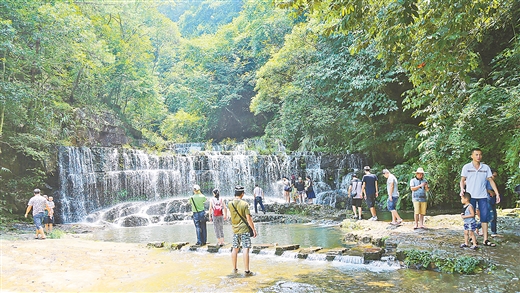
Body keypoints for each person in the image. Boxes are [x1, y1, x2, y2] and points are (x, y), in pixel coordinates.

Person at [460, 148, 500, 247]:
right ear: (472, 156)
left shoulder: (485, 167)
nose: (478, 157)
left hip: (482, 196)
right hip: (471, 196)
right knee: (471, 217)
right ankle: (471, 238)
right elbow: (462, 180)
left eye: (480, 155)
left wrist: (497, 193)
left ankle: (485, 240)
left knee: (484, 217)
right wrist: (462, 189)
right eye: (476, 155)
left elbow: (491, 181)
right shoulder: (467, 167)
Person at [228, 185, 257, 276]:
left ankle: (234, 268)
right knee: (245, 249)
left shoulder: (230, 203)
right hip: (244, 229)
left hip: (235, 229)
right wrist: (254, 229)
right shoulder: (245, 204)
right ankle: (247, 270)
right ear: (242, 194)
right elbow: (249, 219)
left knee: (235, 248)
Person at [486, 170, 499, 237]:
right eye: (493, 176)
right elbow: (481, 187)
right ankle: (477, 227)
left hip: (492, 199)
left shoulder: (492, 182)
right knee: (491, 216)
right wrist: (489, 191)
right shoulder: (486, 180)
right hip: (486, 199)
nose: (494, 178)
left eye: (495, 176)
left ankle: (494, 232)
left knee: (494, 215)